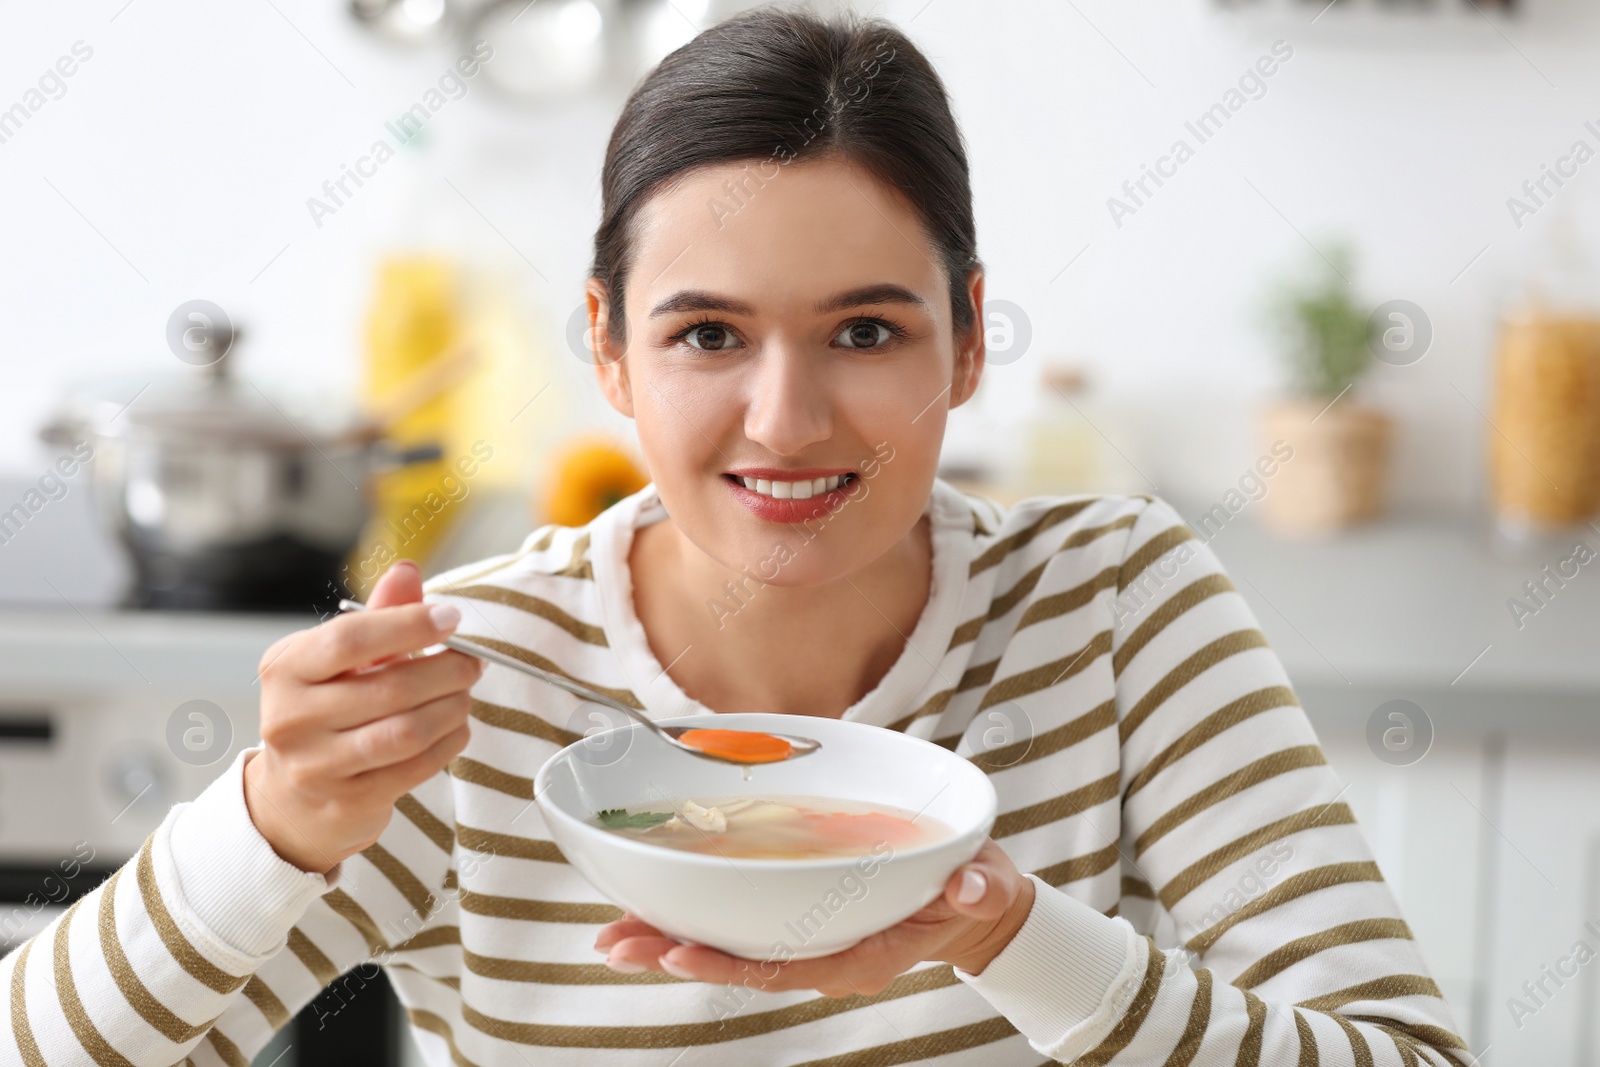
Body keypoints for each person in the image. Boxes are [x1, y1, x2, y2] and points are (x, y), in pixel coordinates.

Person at [0, 7, 1467, 1066]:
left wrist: (1010, 937)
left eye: (867, 331)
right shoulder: (479, 686)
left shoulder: (1121, 612)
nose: (787, 419)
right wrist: (271, 827)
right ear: (612, 350)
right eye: (707, 332)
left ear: (966, 341)